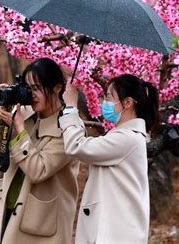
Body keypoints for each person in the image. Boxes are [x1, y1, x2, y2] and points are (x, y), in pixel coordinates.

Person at [0, 57, 79, 244]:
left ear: (57, 88)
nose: (31, 94)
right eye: (28, 88)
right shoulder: (26, 114)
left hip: (43, 226)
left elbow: (39, 170)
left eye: (36, 88)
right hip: (12, 212)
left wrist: (20, 130)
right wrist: (1, 114)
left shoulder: (68, 128)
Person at [60, 74, 159, 243]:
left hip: (113, 234)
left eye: (109, 97)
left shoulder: (127, 138)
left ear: (127, 103)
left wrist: (70, 108)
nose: (104, 103)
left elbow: (77, 146)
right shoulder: (125, 136)